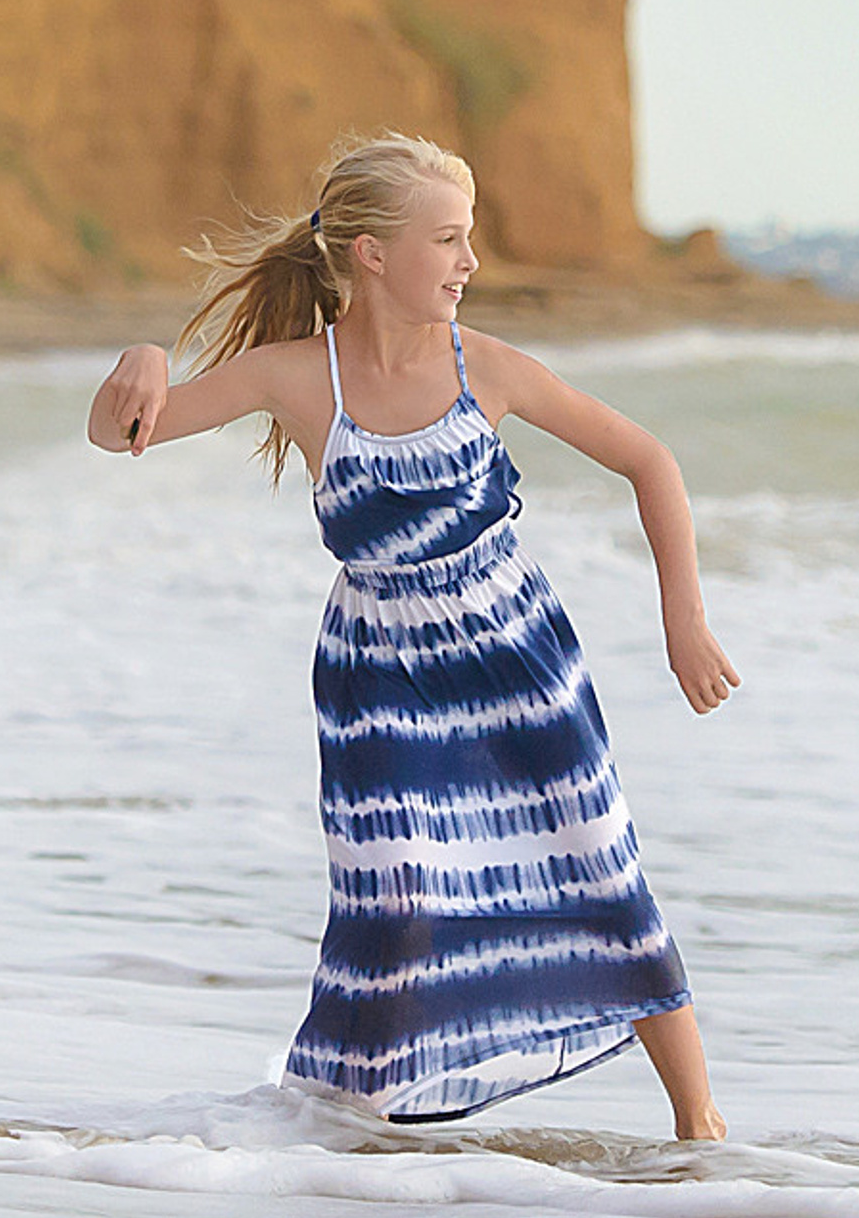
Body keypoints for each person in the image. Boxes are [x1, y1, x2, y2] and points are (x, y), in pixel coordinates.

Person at [86, 131, 738, 1140]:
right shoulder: (299, 378)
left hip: (516, 655)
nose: (470, 260)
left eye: (466, 237)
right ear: (372, 255)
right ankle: (364, 1128)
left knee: (595, 865)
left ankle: (700, 1128)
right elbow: (119, 431)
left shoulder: (488, 369)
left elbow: (649, 461)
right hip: (376, 672)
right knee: (396, 898)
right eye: (447, 239)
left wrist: (682, 621)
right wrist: (141, 361)